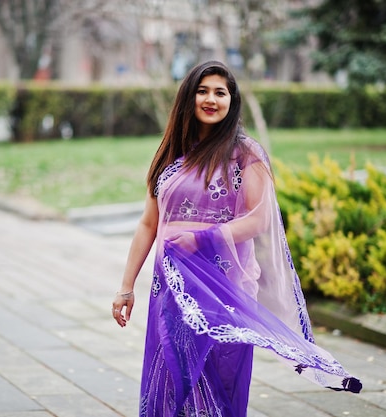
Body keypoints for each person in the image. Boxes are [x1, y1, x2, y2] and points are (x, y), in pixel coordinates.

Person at [112, 60, 361, 416]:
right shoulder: (171, 154)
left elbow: (258, 219)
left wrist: (202, 239)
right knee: (169, 379)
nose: (211, 99)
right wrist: (126, 287)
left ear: (232, 101)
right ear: (188, 97)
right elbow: (148, 225)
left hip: (225, 288)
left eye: (220, 92)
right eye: (202, 91)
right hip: (170, 289)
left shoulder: (245, 154)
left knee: (218, 379)